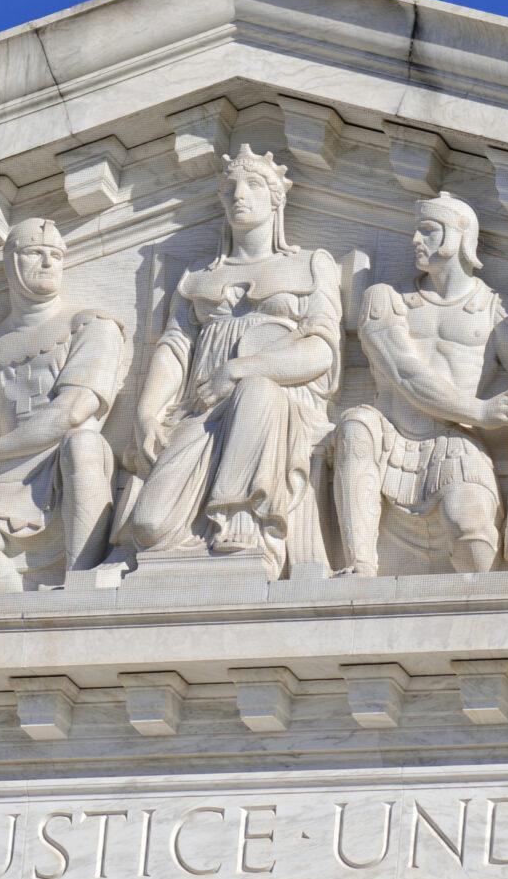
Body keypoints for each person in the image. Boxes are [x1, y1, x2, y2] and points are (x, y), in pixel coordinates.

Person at [117, 146, 342, 574]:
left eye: (254, 184)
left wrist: (239, 371)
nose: (239, 193)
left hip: (281, 409)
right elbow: (175, 347)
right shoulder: (198, 276)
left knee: (258, 392)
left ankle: (243, 522)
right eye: (230, 186)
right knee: (149, 526)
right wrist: (147, 412)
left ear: (277, 198)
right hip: (203, 409)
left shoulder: (312, 265)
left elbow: (321, 352)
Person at [333, 194, 508, 576]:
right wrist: (482, 411)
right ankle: (359, 564)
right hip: (388, 436)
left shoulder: (493, 309)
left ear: (460, 236)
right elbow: (404, 372)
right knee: (356, 423)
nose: (414, 240)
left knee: (474, 539)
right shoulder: (387, 300)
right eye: (416, 230)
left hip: (455, 442)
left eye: (427, 230)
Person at [0, 221, 130, 592]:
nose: (47, 262)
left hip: (69, 467)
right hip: (10, 480)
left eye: (56, 255)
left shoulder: (90, 325)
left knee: (82, 442)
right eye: (35, 253)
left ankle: (81, 586)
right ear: (10, 262)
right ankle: (29, 623)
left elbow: (73, 411)